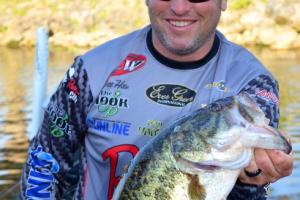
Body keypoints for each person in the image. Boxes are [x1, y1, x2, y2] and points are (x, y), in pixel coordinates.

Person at [21, 0, 293, 199]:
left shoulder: (251, 83)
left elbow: (249, 185)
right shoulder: (90, 71)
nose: (179, 7)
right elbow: (43, 164)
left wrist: (253, 178)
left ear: (223, 2)